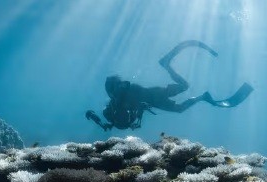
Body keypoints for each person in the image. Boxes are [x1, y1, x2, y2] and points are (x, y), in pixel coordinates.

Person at [86, 40, 254, 131]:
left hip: (153, 96)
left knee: (183, 92)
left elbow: (129, 95)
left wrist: (137, 108)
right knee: (182, 97)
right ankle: (201, 95)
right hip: (153, 97)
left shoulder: (116, 103)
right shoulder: (114, 107)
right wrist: (100, 121)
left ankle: (168, 66)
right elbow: (119, 119)